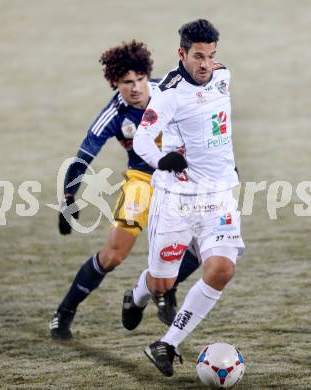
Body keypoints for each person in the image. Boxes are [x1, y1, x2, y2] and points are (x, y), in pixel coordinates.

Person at [49, 40, 201, 340]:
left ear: (147, 76)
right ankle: (64, 312)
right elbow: (83, 157)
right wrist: (69, 198)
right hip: (141, 183)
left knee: (199, 249)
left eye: (140, 79)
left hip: (180, 181)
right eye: (126, 82)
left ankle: (163, 290)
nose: (135, 88)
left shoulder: (169, 92)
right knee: (113, 256)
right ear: (115, 83)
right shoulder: (114, 113)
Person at [121, 20, 245, 377]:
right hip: (177, 199)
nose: (205, 63)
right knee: (163, 282)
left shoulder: (223, 76)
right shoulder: (168, 94)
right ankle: (137, 294)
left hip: (219, 197)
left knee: (222, 270)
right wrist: (163, 159)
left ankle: (167, 344)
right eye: (198, 56)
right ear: (182, 54)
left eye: (210, 55)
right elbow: (144, 139)